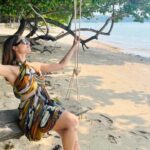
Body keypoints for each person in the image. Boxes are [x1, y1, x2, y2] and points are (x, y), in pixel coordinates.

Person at [0, 34, 80, 150]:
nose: (28, 43)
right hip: (32, 114)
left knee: (70, 130)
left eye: (28, 40)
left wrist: (74, 46)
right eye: (23, 41)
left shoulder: (33, 66)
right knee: (73, 120)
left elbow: (61, 65)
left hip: (46, 106)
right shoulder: (11, 70)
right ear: (14, 48)